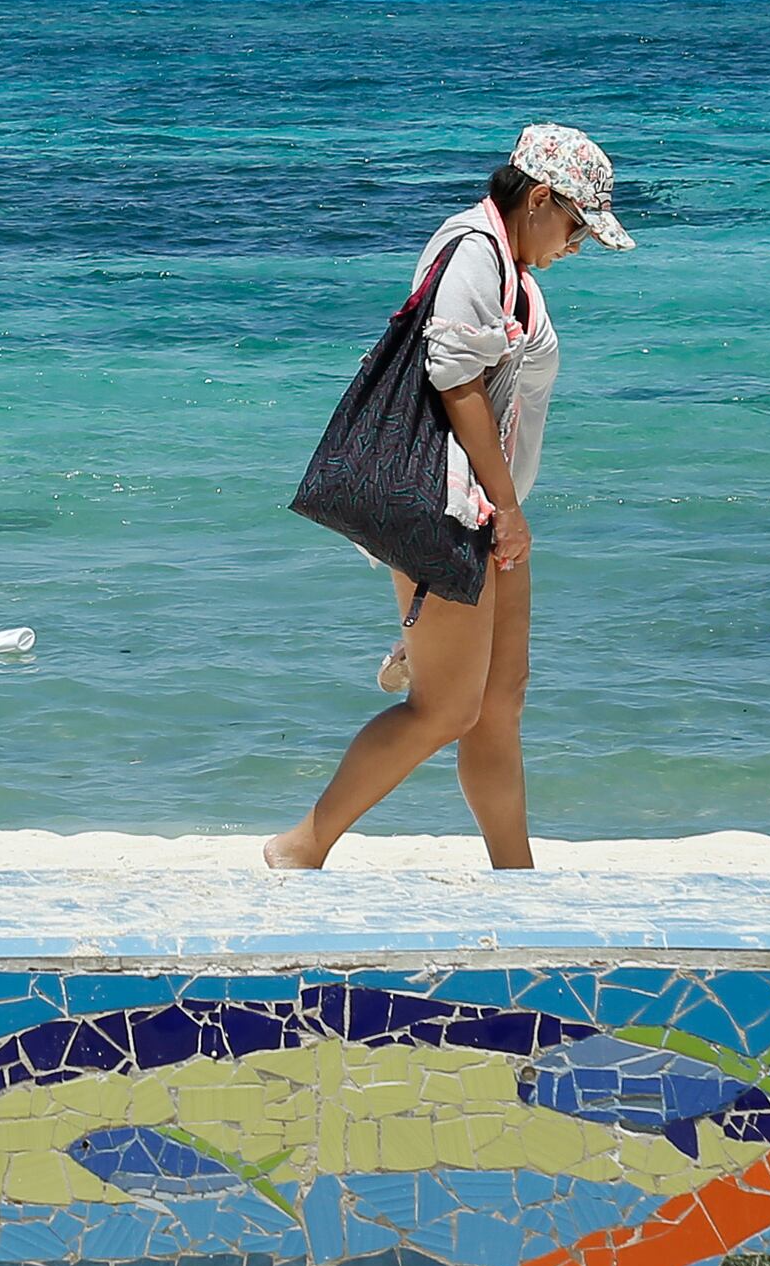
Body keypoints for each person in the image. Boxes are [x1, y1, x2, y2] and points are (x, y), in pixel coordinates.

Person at [265, 126, 628, 873]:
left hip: (493, 517)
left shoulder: (511, 267)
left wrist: (510, 513)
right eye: (577, 225)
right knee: (447, 709)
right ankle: (300, 846)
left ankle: (516, 877)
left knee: (500, 703)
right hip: (454, 511)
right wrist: (511, 510)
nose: (579, 244)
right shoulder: (473, 251)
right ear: (538, 199)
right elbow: (454, 382)